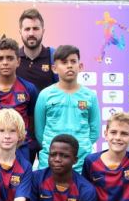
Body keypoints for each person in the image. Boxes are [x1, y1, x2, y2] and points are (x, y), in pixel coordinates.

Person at [34, 45, 100, 173]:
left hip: (81, 163)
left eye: (73, 61)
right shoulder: (45, 95)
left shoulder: (90, 96)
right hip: (50, 162)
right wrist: (54, 150)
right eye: (64, 62)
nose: (69, 66)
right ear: (54, 68)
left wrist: (80, 148)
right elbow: (39, 132)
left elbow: (95, 131)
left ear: (80, 67)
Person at [0, 38, 38, 162]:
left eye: (10, 58)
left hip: (21, 147)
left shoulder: (29, 89)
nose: (5, 62)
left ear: (18, 61)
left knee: (20, 181)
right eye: (0, 58)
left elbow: (32, 120)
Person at [16, 8, 58, 92]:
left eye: (35, 29)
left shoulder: (54, 56)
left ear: (43, 31)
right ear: (20, 32)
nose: (31, 33)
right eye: (27, 29)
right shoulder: (14, 58)